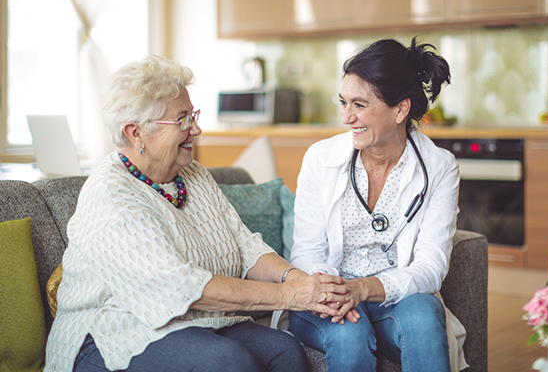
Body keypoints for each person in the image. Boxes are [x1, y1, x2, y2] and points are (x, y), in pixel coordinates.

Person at [44, 55, 352, 372]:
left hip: (194, 321)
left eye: (193, 115)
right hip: (111, 331)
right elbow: (182, 287)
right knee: (228, 362)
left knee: (284, 351)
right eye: (182, 121)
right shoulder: (111, 195)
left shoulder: (194, 176)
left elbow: (246, 247)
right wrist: (289, 296)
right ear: (136, 132)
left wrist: (305, 282)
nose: (196, 129)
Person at [289, 37, 468, 372]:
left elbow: (431, 267)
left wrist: (364, 289)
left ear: (400, 109)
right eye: (343, 102)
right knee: (349, 333)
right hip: (328, 295)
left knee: (424, 315)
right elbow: (307, 252)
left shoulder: (440, 167)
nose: (346, 117)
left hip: (392, 298)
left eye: (359, 104)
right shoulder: (320, 158)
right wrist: (339, 292)